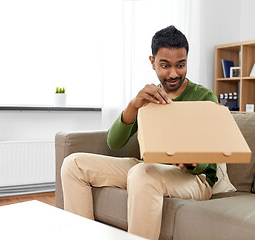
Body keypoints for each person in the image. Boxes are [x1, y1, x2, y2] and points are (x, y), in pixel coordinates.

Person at [61, 25, 218, 240]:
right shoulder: (150, 96)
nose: (173, 73)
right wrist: (134, 105)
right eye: (165, 65)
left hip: (195, 179)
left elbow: (206, 162)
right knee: (73, 164)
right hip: (150, 169)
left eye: (180, 65)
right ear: (152, 62)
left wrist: (188, 160)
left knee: (141, 174)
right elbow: (114, 142)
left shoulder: (204, 97)